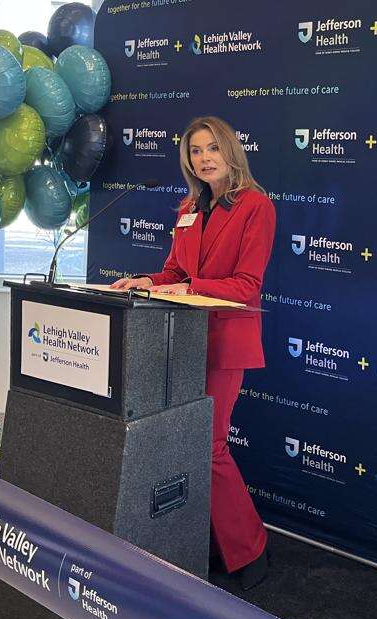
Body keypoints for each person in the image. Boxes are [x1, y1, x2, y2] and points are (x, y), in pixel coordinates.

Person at [111, 116, 276, 590]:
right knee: (184, 444)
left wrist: (187, 288)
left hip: (225, 342)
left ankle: (250, 548)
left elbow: (246, 285)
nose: (204, 158)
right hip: (180, 341)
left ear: (230, 151)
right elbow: (173, 273)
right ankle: (208, 542)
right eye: (195, 151)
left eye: (212, 148)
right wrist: (146, 281)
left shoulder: (256, 206)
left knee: (210, 445)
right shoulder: (188, 208)